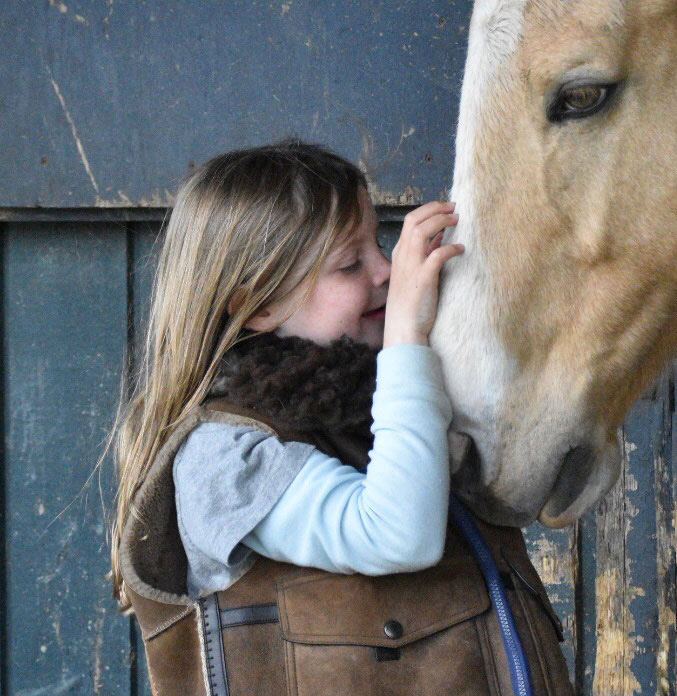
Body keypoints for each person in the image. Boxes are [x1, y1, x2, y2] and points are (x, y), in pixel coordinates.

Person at [109, 139, 574, 695]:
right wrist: (406, 338)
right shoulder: (226, 456)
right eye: (350, 263)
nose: (386, 271)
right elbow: (394, 535)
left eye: (379, 244)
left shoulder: (383, 409)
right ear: (259, 305)